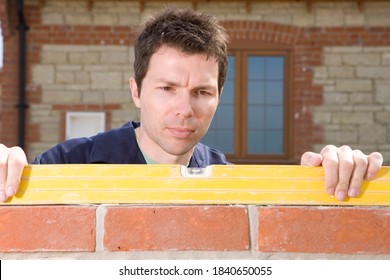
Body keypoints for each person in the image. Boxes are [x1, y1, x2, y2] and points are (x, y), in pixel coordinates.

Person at [0, 8, 384, 203]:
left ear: (218, 96)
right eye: (167, 88)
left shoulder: (232, 184)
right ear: (136, 91)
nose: (186, 109)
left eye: (202, 92)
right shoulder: (65, 166)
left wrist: (331, 186)